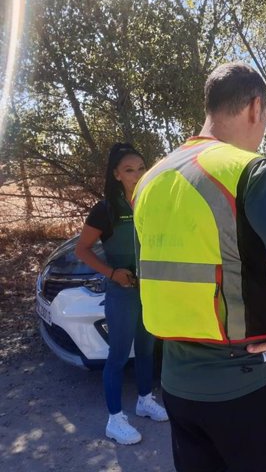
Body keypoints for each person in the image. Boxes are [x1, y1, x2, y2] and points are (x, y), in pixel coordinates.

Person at [133, 62, 266, 472]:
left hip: (178, 385)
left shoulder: (150, 180)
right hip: (249, 381)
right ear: (256, 108)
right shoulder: (246, 168)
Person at [75, 143, 167, 445]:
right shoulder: (105, 210)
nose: (137, 174)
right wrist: (112, 273)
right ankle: (114, 419)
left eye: (141, 168)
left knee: (146, 350)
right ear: (116, 174)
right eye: (129, 170)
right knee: (117, 357)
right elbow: (82, 250)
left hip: (148, 290)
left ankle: (144, 400)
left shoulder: (149, 201)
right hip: (121, 291)